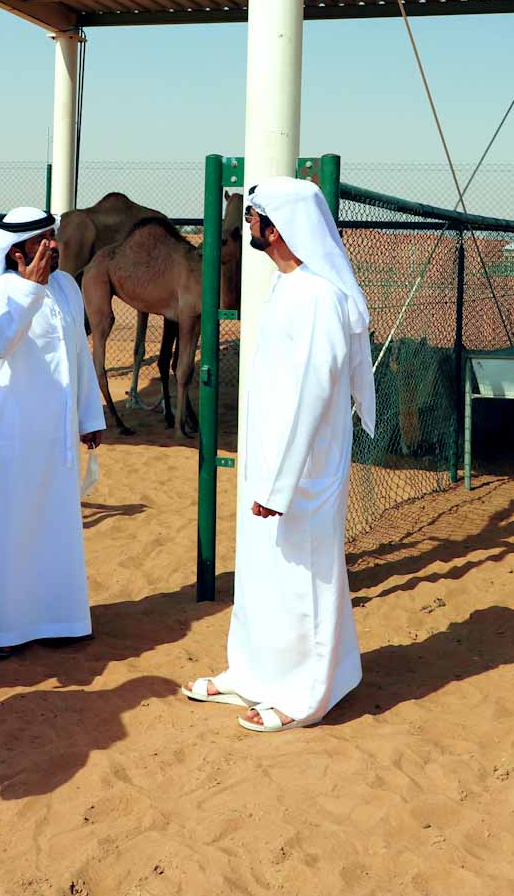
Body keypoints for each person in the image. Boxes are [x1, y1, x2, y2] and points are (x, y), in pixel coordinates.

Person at [179, 177, 376, 732]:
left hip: (304, 472)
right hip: (271, 465)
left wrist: (281, 484)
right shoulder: (288, 287)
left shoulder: (318, 296)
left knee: (304, 580)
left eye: (254, 217)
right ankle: (254, 672)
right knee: (263, 574)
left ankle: (307, 696)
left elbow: (312, 397)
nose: (247, 225)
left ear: (280, 226)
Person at [0, 207, 106, 659]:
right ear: (17, 251)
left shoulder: (68, 286)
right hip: (14, 436)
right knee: (15, 528)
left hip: (57, 436)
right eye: (43, 241)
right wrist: (30, 290)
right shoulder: (2, 289)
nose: (54, 246)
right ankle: (9, 632)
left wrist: (90, 417)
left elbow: (79, 354)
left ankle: (62, 621)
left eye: (53, 238)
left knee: (57, 526)